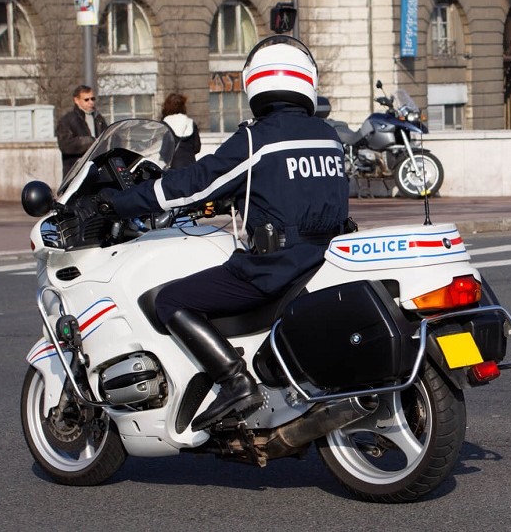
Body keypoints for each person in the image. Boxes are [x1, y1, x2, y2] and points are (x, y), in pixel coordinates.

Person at [101, 35, 349, 431]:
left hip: (273, 267)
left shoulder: (257, 138)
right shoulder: (329, 136)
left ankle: (235, 382)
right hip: (324, 259)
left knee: (171, 299)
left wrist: (122, 201)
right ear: (307, 80)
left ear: (254, 81)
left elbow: (195, 183)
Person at [56, 85, 108, 177]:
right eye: (86, 99)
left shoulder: (99, 119)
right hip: (76, 172)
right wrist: (89, 142)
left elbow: (107, 138)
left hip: (97, 169)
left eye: (92, 99)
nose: (91, 102)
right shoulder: (67, 120)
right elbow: (65, 145)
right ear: (76, 100)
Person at [160, 93, 202, 169]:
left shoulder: (164, 125)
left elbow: (163, 151)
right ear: (183, 106)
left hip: (172, 169)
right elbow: (197, 148)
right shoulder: (191, 123)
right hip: (191, 167)